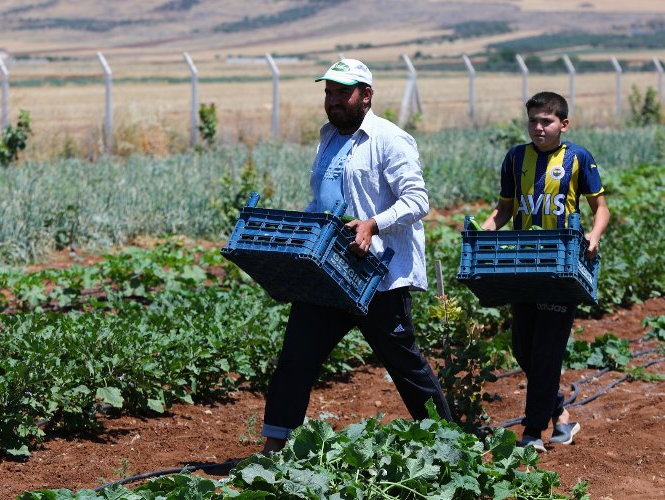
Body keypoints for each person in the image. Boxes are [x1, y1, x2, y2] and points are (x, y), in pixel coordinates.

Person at [261, 59, 453, 454]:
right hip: (329, 272)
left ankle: (450, 443)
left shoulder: (390, 139)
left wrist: (372, 224)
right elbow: (323, 199)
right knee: (296, 357)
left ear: (366, 96)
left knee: (405, 366)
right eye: (328, 92)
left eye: (342, 92)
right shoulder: (328, 137)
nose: (333, 100)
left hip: (377, 276)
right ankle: (274, 447)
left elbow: (418, 201)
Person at [480, 91, 610, 452]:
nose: (538, 127)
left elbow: (601, 208)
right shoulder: (515, 158)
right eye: (533, 121)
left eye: (546, 121)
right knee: (523, 347)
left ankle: (533, 432)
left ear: (562, 125)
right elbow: (503, 210)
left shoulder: (578, 158)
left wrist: (594, 235)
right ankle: (560, 415)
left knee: (547, 352)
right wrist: (489, 227)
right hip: (524, 264)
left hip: (562, 266)